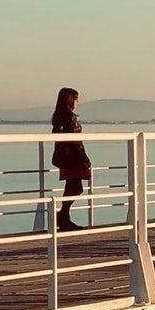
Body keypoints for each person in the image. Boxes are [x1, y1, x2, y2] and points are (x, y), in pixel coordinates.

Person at [50, 87, 92, 231]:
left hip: (65, 158)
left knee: (72, 187)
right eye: (76, 99)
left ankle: (63, 216)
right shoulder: (70, 118)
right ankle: (63, 215)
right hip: (74, 158)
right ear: (70, 100)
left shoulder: (58, 118)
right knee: (75, 187)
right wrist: (85, 158)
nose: (77, 102)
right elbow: (75, 142)